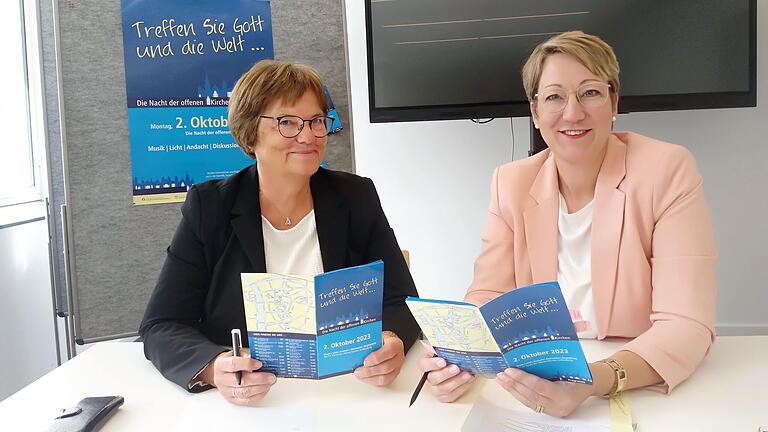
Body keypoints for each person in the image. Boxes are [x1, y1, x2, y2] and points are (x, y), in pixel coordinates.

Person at [418, 31, 717, 417]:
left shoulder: (666, 170)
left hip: (639, 379)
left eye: (590, 92)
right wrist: (458, 359)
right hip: (534, 383)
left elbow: (687, 325)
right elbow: (487, 297)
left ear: (614, 102)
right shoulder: (510, 182)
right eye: (555, 96)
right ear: (535, 111)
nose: (572, 112)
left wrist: (594, 381)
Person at [139, 60, 420, 406]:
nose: (308, 136)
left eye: (317, 121)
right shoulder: (210, 207)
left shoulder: (355, 197)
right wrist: (215, 367)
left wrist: (390, 338)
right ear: (249, 130)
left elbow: (403, 300)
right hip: (254, 403)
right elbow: (162, 324)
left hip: (349, 394)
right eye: (287, 122)